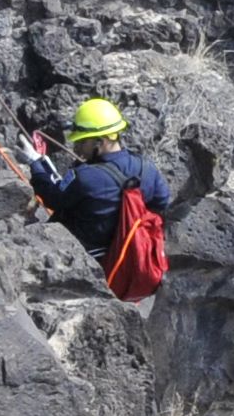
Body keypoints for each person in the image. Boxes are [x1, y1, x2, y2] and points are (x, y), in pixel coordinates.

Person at [23, 96, 169, 279]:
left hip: (76, 257)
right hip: (123, 258)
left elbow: (52, 197)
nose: (77, 148)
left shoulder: (85, 177)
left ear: (100, 142)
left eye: (82, 142)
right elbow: (161, 202)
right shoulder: (147, 169)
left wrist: (36, 164)